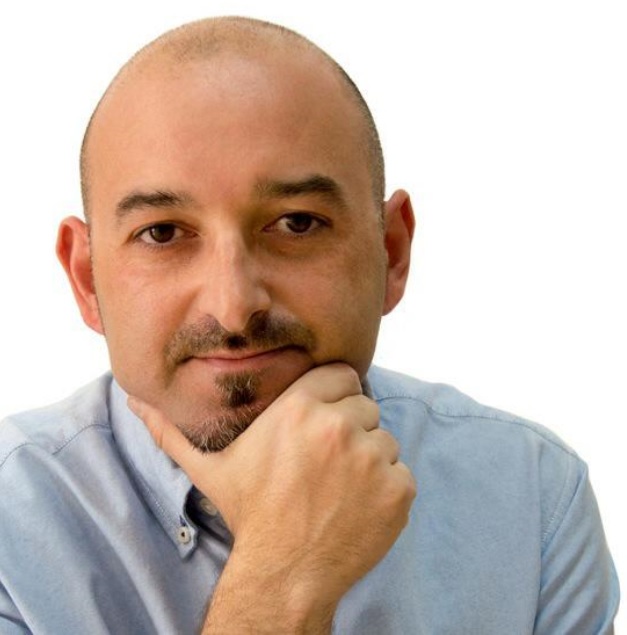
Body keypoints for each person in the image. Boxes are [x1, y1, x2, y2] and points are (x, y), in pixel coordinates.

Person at [0, 15, 619, 634]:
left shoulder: (533, 500)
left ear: (391, 254)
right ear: (87, 279)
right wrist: (284, 572)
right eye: (162, 233)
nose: (234, 304)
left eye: (297, 223)